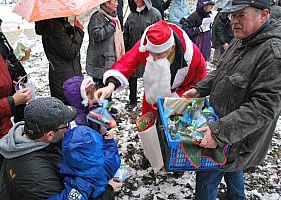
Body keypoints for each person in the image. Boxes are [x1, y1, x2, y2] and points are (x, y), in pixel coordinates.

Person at [182, 0, 281, 198]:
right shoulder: (241, 38)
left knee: (209, 178)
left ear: (263, 15)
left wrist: (219, 132)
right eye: (232, 15)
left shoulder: (272, 54)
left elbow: (264, 107)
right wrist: (199, 90)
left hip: (234, 137)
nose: (234, 21)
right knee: (233, 169)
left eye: (240, 15)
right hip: (221, 126)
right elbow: (222, 72)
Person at [0, 97, 122, 199]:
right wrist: (108, 190)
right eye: (65, 126)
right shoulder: (37, 175)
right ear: (50, 135)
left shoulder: (34, 137)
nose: (69, 128)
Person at [94, 20, 207, 119]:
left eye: (159, 55)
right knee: (149, 130)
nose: (153, 58)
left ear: (171, 48)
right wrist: (110, 86)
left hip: (178, 99)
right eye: (151, 53)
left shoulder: (192, 56)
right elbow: (127, 62)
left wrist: (176, 99)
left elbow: (200, 82)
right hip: (151, 95)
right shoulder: (146, 44)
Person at [0, 1, 32, 193]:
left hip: (0, 124)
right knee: (2, 163)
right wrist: (13, 101)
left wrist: (12, 85)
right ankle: (3, 190)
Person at [48, 125, 121, 200]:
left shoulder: (80, 184)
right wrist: (109, 141)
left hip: (94, 193)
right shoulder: (108, 161)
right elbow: (112, 153)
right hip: (102, 182)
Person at [35, 16, 84, 105]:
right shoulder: (54, 26)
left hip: (66, 75)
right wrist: (79, 31)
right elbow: (71, 51)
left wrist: (72, 30)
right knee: (70, 110)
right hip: (65, 79)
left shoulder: (59, 23)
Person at [123, 0, 162, 110]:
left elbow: (160, 34)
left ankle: (151, 100)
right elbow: (126, 33)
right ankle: (133, 100)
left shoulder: (155, 14)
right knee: (132, 76)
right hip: (133, 52)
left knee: (150, 78)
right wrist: (126, 49)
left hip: (149, 53)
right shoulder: (131, 15)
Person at [86, 0, 125, 95]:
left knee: (109, 88)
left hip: (109, 60)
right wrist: (110, 27)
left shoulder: (113, 17)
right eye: (114, 1)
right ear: (107, 3)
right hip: (100, 62)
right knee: (100, 89)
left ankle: (108, 107)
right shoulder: (97, 17)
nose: (117, 4)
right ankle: (102, 108)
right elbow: (95, 35)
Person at [0, 31, 29, 123]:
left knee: (20, 111)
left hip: (12, 81)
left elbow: (11, 55)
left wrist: (21, 73)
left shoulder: (0, 36)